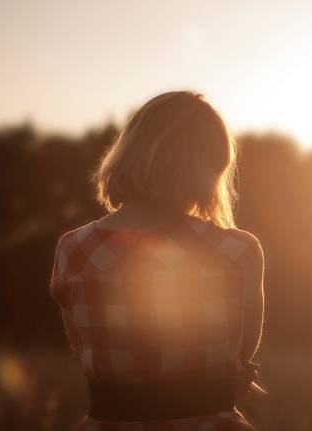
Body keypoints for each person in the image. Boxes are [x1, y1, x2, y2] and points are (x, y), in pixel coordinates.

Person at [49, 91, 265, 431]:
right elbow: (241, 351)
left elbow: (82, 349)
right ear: (210, 167)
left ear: (129, 150)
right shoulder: (237, 251)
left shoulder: (73, 249)